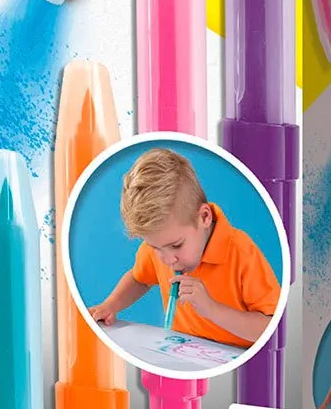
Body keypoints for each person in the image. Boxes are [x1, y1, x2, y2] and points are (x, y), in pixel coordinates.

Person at [89, 148, 279, 348]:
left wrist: (212, 309)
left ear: (204, 217)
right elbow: (139, 280)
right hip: (184, 354)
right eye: (155, 247)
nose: (168, 260)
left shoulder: (242, 253)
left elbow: (271, 327)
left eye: (176, 245)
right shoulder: (161, 245)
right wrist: (111, 305)